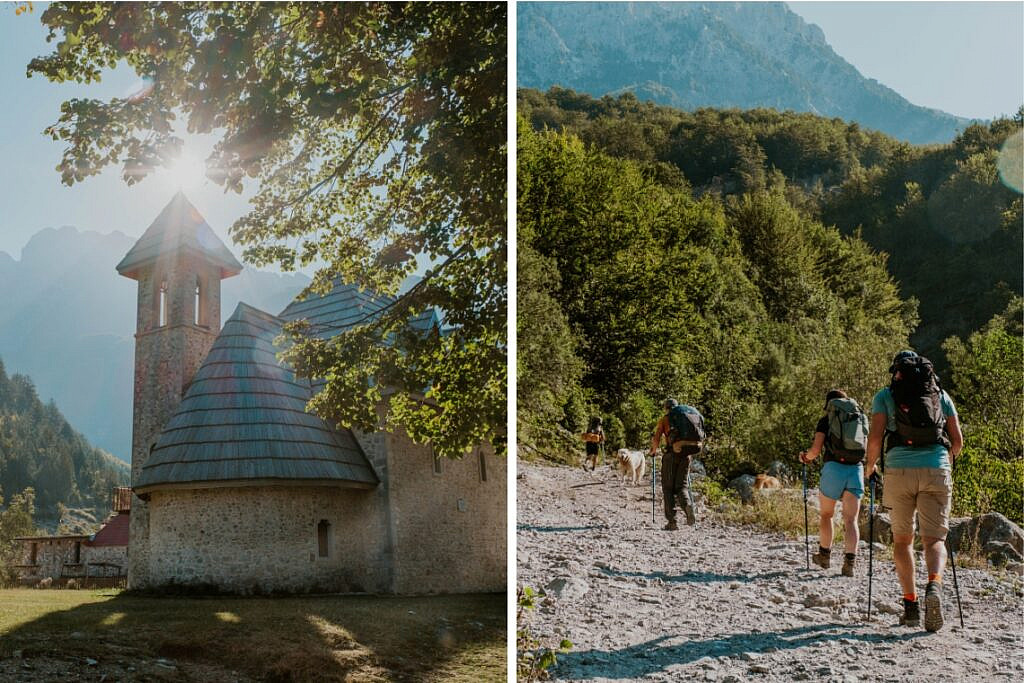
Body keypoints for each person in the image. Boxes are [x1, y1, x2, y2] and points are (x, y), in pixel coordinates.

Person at [865, 350, 962, 632]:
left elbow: (874, 438)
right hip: (937, 468)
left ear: (897, 372)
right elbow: (957, 441)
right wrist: (945, 464)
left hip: (898, 471)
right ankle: (934, 585)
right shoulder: (941, 396)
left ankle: (911, 607)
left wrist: (869, 467)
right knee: (934, 540)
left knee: (902, 541)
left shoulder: (885, 396)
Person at [798, 389, 864, 577]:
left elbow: (816, 450)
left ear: (829, 405)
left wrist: (805, 457)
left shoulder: (826, 421)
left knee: (827, 514)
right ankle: (849, 563)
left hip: (834, 469)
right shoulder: (857, 418)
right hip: (856, 469)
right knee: (851, 519)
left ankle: (825, 556)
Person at [649, 399, 704, 530]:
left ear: (666, 408)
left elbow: (656, 438)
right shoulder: (687, 416)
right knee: (682, 487)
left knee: (668, 488)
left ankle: (672, 522)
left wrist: (653, 451)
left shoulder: (666, 419)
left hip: (671, 455)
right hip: (687, 455)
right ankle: (687, 506)